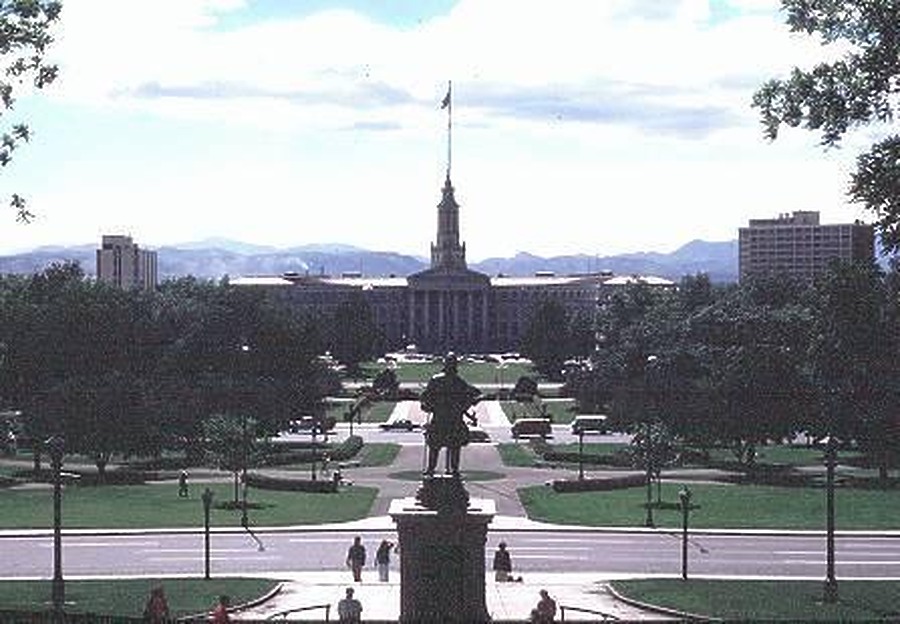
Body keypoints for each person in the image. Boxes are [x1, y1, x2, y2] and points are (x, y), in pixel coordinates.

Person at [420, 352, 481, 476]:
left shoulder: (436, 380)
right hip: (454, 419)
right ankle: (454, 470)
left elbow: (426, 398)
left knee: (435, 446)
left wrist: (428, 406)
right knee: (454, 447)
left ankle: (431, 469)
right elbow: (471, 397)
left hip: (440, 418)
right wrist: (465, 407)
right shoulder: (460, 382)